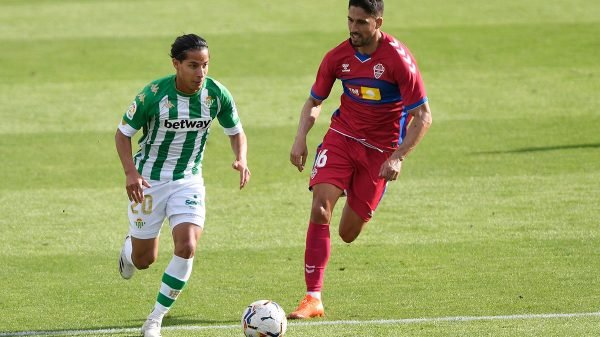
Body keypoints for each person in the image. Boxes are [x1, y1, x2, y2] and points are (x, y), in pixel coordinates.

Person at [288, 0, 432, 319]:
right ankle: (313, 298)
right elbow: (315, 99)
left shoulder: (398, 60)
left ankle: (356, 187)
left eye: (361, 22)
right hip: (343, 137)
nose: (353, 28)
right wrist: (300, 137)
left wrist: (399, 157)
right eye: (350, 21)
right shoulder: (338, 57)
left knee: (347, 233)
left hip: (380, 152)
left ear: (377, 23)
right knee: (320, 207)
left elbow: (422, 116)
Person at [115, 34, 250, 337]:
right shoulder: (154, 95)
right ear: (176, 64)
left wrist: (241, 158)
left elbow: (236, 131)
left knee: (187, 245)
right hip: (148, 181)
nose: (201, 73)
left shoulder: (216, 95)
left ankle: (155, 319)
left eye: (205, 65)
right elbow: (122, 134)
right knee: (144, 259)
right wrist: (130, 173)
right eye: (193, 65)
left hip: (188, 181)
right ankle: (129, 248)